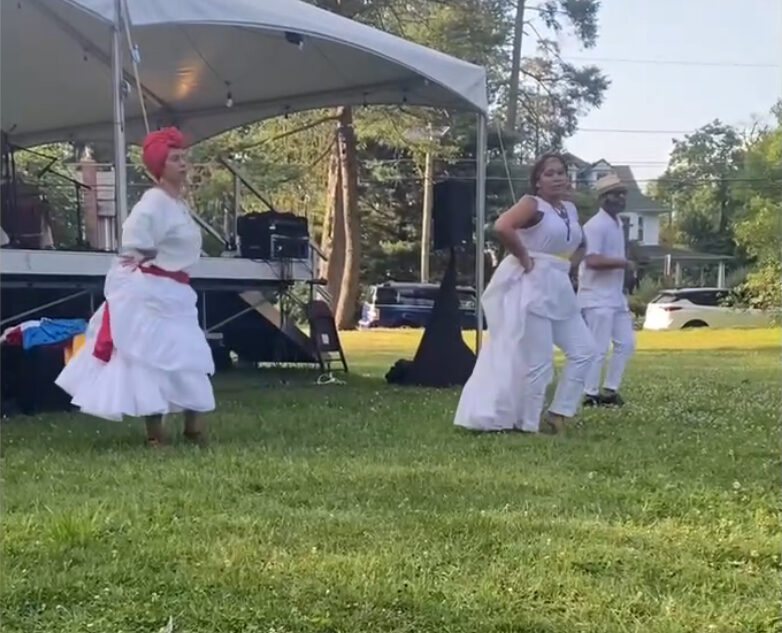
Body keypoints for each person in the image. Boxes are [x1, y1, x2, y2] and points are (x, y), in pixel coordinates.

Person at [56, 127, 215, 446]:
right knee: (151, 359)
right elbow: (133, 243)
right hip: (152, 291)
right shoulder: (153, 202)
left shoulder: (177, 203)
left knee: (189, 356)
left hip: (177, 294)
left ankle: (193, 429)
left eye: (183, 158)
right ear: (160, 166)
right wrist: (148, 259)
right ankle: (156, 436)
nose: (182, 164)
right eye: (175, 159)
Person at [454, 153, 595, 434]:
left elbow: (580, 243)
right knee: (540, 362)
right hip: (532, 287)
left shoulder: (570, 208)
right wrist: (525, 257)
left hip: (559, 287)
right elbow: (502, 226)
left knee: (585, 351)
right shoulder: (533, 204)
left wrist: (567, 264)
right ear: (538, 181)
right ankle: (528, 425)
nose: (557, 178)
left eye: (561, 173)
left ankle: (558, 412)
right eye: (549, 173)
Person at [577, 173, 636, 407]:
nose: (621, 198)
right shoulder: (594, 226)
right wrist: (623, 262)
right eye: (616, 194)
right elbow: (591, 260)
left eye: (623, 194)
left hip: (614, 296)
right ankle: (589, 393)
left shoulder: (618, 223)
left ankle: (610, 391)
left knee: (626, 343)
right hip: (595, 296)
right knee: (598, 347)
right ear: (603, 198)